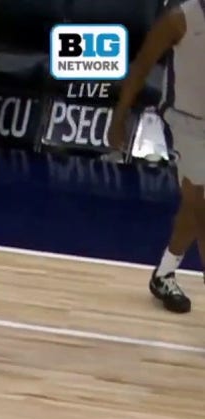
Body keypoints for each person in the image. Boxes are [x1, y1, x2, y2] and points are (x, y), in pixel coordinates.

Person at [110, 1, 204, 314]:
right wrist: (119, 118)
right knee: (200, 202)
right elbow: (141, 66)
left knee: (194, 208)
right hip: (184, 121)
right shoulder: (180, 18)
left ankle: (164, 273)